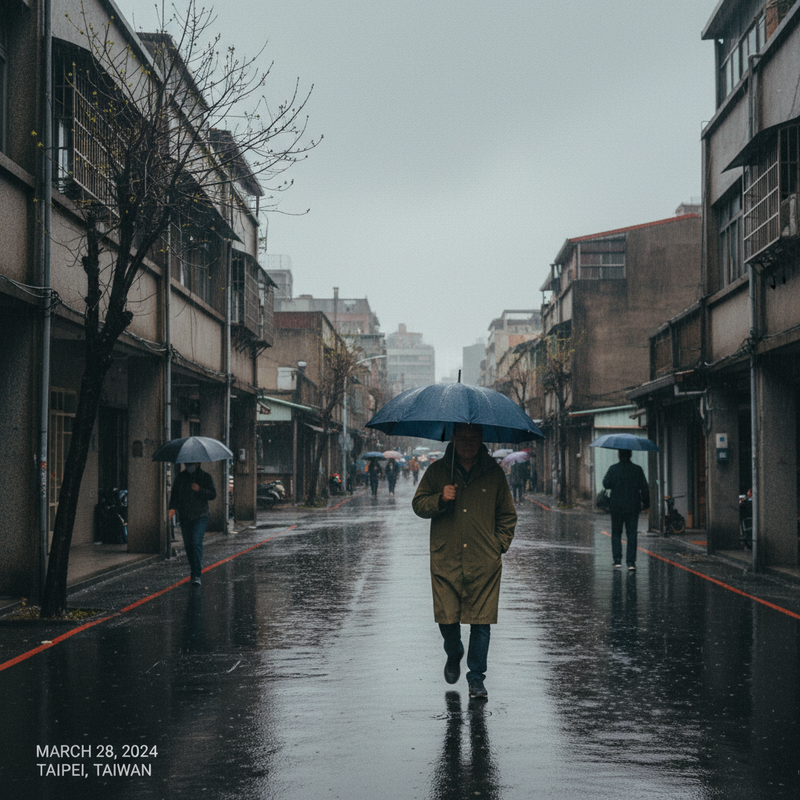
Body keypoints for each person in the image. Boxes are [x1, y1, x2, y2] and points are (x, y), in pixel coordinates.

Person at [412, 423, 517, 699]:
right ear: (454, 439)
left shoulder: (494, 474)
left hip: (485, 560)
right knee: (447, 616)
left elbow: (507, 515)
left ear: (481, 439)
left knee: (481, 621)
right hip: (447, 557)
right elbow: (419, 505)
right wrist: (439, 498)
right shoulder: (438, 472)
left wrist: (499, 545)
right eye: (463, 438)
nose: (468, 443)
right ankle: (454, 650)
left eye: (474, 438)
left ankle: (476, 678)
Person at [169, 462, 217, 586]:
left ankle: (196, 574)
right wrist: (172, 508)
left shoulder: (205, 477)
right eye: (187, 463)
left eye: (192, 463)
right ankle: (194, 570)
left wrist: (199, 489)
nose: (189, 465)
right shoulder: (180, 477)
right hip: (185, 517)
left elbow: (213, 494)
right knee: (189, 545)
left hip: (201, 516)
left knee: (196, 542)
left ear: (198, 463)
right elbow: (174, 495)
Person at [602, 449, 649, 571]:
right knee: (632, 533)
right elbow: (644, 488)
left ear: (619, 455)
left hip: (616, 506)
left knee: (616, 533)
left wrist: (614, 483)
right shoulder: (637, 469)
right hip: (633, 506)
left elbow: (605, 484)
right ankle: (631, 562)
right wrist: (646, 504)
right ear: (630, 455)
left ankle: (617, 560)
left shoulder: (613, 469)